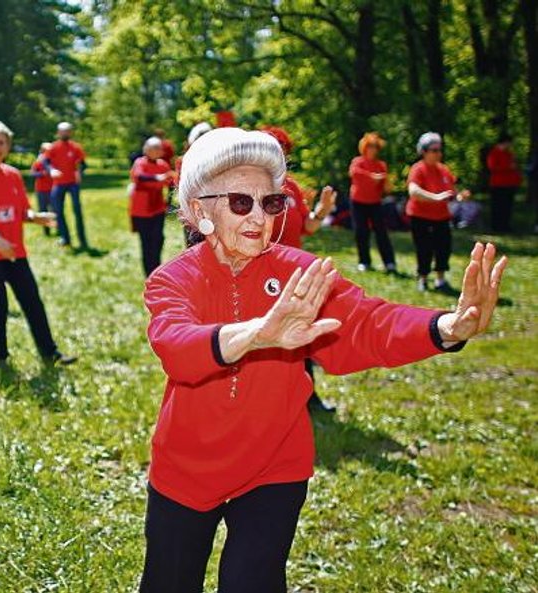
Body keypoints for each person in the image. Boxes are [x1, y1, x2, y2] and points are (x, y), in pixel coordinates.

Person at [139, 127, 507, 593]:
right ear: (198, 211)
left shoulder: (298, 272)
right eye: (240, 202)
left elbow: (366, 324)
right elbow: (176, 346)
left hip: (274, 464)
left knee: (253, 583)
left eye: (272, 203)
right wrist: (258, 333)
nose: (259, 216)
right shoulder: (173, 279)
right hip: (186, 467)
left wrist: (446, 328)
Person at [0, 121, 76, 367]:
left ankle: (49, 352)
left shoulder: (12, 175)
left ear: (8, 145)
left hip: (13, 252)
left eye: (0, 142)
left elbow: (22, 211)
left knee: (32, 302)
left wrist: (38, 217)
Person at [263, 125, 337, 413]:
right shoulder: (252, 184)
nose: (278, 154)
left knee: (299, 331)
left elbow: (308, 227)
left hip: (294, 272)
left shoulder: (291, 187)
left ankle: (308, 396)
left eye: (282, 149)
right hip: (263, 270)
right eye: (272, 148)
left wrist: (322, 210)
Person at [408, 132, 471, 292]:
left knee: (443, 248)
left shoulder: (444, 170)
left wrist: (459, 197)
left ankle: (440, 280)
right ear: (424, 151)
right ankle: (422, 279)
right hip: (420, 216)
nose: (438, 153)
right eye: (434, 150)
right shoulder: (418, 169)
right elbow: (413, 191)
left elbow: (451, 192)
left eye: (439, 150)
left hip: (441, 217)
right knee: (424, 248)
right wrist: (434, 198)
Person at [348, 132, 397, 272]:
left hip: (375, 202)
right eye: (370, 146)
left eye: (375, 146)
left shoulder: (381, 165)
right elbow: (354, 173)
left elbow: (384, 187)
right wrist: (372, 177)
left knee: (381, 232)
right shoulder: (358, 161)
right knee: (361, 231)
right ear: (364, 147)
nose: (372, 149)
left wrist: (386, 183)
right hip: (358, 201)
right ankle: (364, 261)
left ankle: (389, 262)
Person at [129, 137, 175, 276]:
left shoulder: (163, 164)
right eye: (156, 148)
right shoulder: (140, 162)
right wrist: (157, 178)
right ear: (147, 149)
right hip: (141, 209)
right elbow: (139, 176)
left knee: (159, 238)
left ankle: (156, 268)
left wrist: (169, 201)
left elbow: (171, 183)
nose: (160, 150)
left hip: (158, 207)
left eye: (160, 148)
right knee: (146, 241)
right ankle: (149, 273)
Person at [46, 122, 89, 249]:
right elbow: (46, 162)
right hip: (58, 184)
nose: (65, 134)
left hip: (73, 184)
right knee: (58, 211)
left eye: (67, 131)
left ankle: (82, 240)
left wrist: (79, 172)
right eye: (62, 131)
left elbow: (83, 164)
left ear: (71, 133)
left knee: (77, 210)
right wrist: (51, 170)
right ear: (58, 133)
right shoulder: (53, 147)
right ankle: (65, 238)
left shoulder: (76, 147)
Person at [485, 133, 522, 233]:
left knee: (507, 206)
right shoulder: (494, 153)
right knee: (497, 206)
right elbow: (492, 167)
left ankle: (505, 226)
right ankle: (496, 226)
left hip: (509, 184)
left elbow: (514, 166)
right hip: (497, 184)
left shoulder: (508, 153)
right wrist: (508, 167)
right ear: (504, 142)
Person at [30, 142, 54, 237]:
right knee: (43, 211)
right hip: (41, 190)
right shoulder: (38, 161)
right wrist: (42, 174)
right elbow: (33, 173)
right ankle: (46, 231)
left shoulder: (53, 161)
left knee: (54, 210)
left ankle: (57, 228)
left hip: (52, 189)